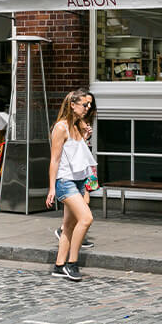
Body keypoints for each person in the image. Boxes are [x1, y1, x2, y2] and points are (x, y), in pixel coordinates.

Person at [46, 89, 98, 281]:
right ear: (72, 104)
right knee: (86, 218)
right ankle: (72, 263)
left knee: (68, 225)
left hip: (78, 180)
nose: (88, 108)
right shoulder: (61, 127)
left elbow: (76, 155)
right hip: (65, 181)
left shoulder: (78, 125)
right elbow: (54, 160)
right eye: (85, 104)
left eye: (90, 105)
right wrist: (52, 187)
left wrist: (85, 138)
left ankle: (59, 266)